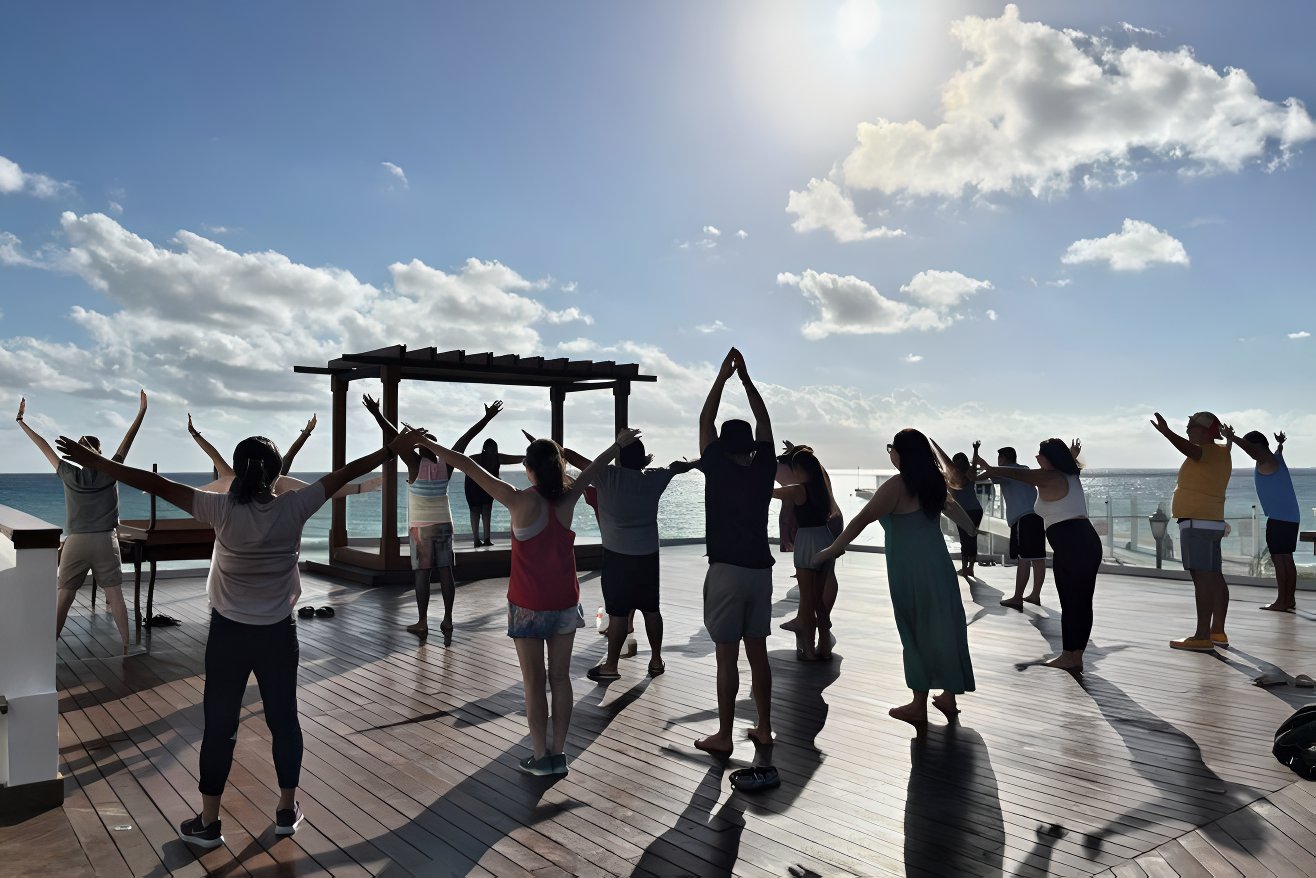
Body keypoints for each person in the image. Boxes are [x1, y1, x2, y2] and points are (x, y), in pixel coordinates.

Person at [54, 429, 395, 848]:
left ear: (235, 473)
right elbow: (344, 474)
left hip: (229, 635)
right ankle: (287, 811)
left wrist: (99, 464)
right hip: (278, 635)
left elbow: (151, 481)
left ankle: (210, 823)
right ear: (276, 475)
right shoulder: (295, 506)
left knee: (219, 727)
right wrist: (390, 450)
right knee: (285, 722)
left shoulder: (218, 509)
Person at [393, 427, 639, 775]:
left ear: (529, 468)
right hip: (566, 603)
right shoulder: (567, 499)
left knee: (534, 681)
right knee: (560, 679)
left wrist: (426, 444)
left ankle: (541, 757)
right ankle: (559, 753)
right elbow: (594, 469)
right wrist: (617, 444)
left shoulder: (517, 499)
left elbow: (465, 464)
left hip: (527, 606)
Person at [814, 429, 976, 727]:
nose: (890, 453)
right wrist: (971, 530)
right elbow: (959, 514)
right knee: (945, 624)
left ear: (901, 453)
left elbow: (861, 520)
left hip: (909, 569)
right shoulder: (933, 482)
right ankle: (948, 695)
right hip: (938, 565)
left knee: (915, 628)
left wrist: (831, 550)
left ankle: (918, 704)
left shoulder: (896, 486)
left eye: (892, 448)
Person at [551, 435, 697, 681]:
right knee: (652, 610)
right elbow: (676, 467)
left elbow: (575, 457)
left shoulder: (607, 476)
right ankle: (656, 660)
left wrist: (554, 449)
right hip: (648, 557)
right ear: (642, 458)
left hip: (617, 558)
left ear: (619, 457)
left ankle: (611, 665)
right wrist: (695, 462)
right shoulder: (654, 477)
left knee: (617, 614)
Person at [362, 395, 506, 636]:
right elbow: (467, 438)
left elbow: (394, 438)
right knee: (446, 572)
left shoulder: (415, 463)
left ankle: (422, 622)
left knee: (422, 574)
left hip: (421, 528)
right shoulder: (446, 464)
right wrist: (487, 417)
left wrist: (377, 413)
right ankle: (448, 620)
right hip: (444, 525)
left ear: (420, 448)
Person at [17, 392, 148, 655]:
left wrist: (22, 421)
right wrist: (141, 411)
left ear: (76, 454)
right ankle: (126, 647)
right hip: (104, 541)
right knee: (115, 596)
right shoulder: (111, 469)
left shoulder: (68, 472)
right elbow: (127, 441)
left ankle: (47, 650)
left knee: (64, 596)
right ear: (99, 453)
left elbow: (44, 446)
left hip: (75, 540)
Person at [694, 347, 776, 756]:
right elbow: (764, 421)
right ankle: (764, 728)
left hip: (726, 570)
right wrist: (745, 379)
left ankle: (724, 736)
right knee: (757, 653)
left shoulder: (716, 465)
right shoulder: (764, 468)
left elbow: (705, 419)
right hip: (761, 570)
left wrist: (722, 377)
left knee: (726, 659)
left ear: (723, 445)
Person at [974, 439, 1101, 671]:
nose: (1036, 457)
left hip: (1072, 544)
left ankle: (1069, 656)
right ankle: (1076, 656)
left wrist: (991, 470)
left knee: (1072, 603)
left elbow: (1017, 475)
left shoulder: (1049, 477)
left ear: (1051, 459)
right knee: (1081, 602)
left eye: (1040, 454)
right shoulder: (1070, 474)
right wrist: (1071, 455)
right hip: (1086, 541)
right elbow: (1064, 465)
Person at [1152, 411, 1233, 651]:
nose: (1187, 429)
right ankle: (1217, 631)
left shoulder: (1206, 451)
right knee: (1214, 577)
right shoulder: (1221, 453)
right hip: (1212, 522)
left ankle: (1202, 636)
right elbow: (1206, 446)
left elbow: (1189, 449)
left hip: (1197, 523)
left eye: (1191, 425)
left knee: (1203, 579)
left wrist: (1166, 432)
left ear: (1205, 430)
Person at [188, 413, 382, 499]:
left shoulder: (229, 483)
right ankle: (362, 487)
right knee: (316, 490)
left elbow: (214, 460)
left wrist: (195, 434)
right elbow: (321, 488)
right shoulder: (279, 483)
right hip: (273, 495)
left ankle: (362, 487)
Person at [1223, 425, 1300, 612]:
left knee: (1280, 560)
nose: (1249, 452)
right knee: (1287, 559)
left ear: (1258, 446)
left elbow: (1252, 449)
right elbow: (1275, 449)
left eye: (1251, 447)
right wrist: (1280, 444)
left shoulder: (1266, 459)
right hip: (1290, 516)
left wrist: (1231, 437)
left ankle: (1282, 602)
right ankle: (1289, 600)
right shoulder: (1276, 458)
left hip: (1279, 518)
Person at [773, 446, 838, 661]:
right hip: (825, 539)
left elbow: (768, 491)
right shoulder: (822, 488)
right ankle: (825, 645)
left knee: (808, 601)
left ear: (800, 469)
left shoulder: (797, 490)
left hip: (807, 542)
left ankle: (809, 651)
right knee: (820, 602)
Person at [991, 445, 1048, 609]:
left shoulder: (1004, 473)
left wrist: (976, 460)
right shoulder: (1025, 470)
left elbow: (986, 474)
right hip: (1037, 516)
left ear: (1002, 459)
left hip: (1024, 519)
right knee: (1038, 559)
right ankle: (1035, 595)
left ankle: (1017, 598)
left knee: (1024, 559)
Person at [464, 435, 526, 547]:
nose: (493, 452)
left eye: (495, 449)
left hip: (488, 486)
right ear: (485, 449)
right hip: (473, 486)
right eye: (491, 449)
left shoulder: (498, 458)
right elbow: (467, 460)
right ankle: (476, 540)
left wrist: (529, 457)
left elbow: (515, 458)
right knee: (475, 511)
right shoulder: (476, 458)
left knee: (487, 510)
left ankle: (487, 539)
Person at [950, 452, 984, 578]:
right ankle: (970, 568)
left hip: (963, 512)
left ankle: (965, 569)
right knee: (972, 538)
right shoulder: (970, 474)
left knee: (965, 540)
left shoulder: (953, 477)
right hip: (975, 510)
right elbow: (974, 465)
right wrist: (975, 450)